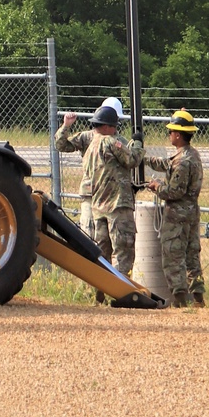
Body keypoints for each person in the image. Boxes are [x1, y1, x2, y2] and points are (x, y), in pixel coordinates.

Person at [145, 107, 204, 308]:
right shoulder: (192, 155)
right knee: (192, 255)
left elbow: (174, 192)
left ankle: (180, 300)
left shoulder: (182, 162)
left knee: (173, 256)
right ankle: (198, 297)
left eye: (171, 131)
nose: (169, 134)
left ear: (177, 135)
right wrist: (144, 158)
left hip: (177, 215)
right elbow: (165, 164)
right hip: (191, 213)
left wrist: (156, 187)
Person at [81, 103, 144, 287]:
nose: (116, 129)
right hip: (117, 205)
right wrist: (138, 143)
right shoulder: (110, 141)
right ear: (107, 126)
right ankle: (122, 291)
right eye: (114, 126)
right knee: (123, 251)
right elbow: (131, 159)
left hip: (98, 206)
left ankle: (99, 290)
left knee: (102, 253)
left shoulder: (91, 145)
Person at [54, 96, 126, 239]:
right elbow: (61, 145)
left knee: (109, 238)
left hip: (112, 197)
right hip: (91, 193)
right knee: (89, 234)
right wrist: (66, 126)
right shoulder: (87, 137)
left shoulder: (120, 141)